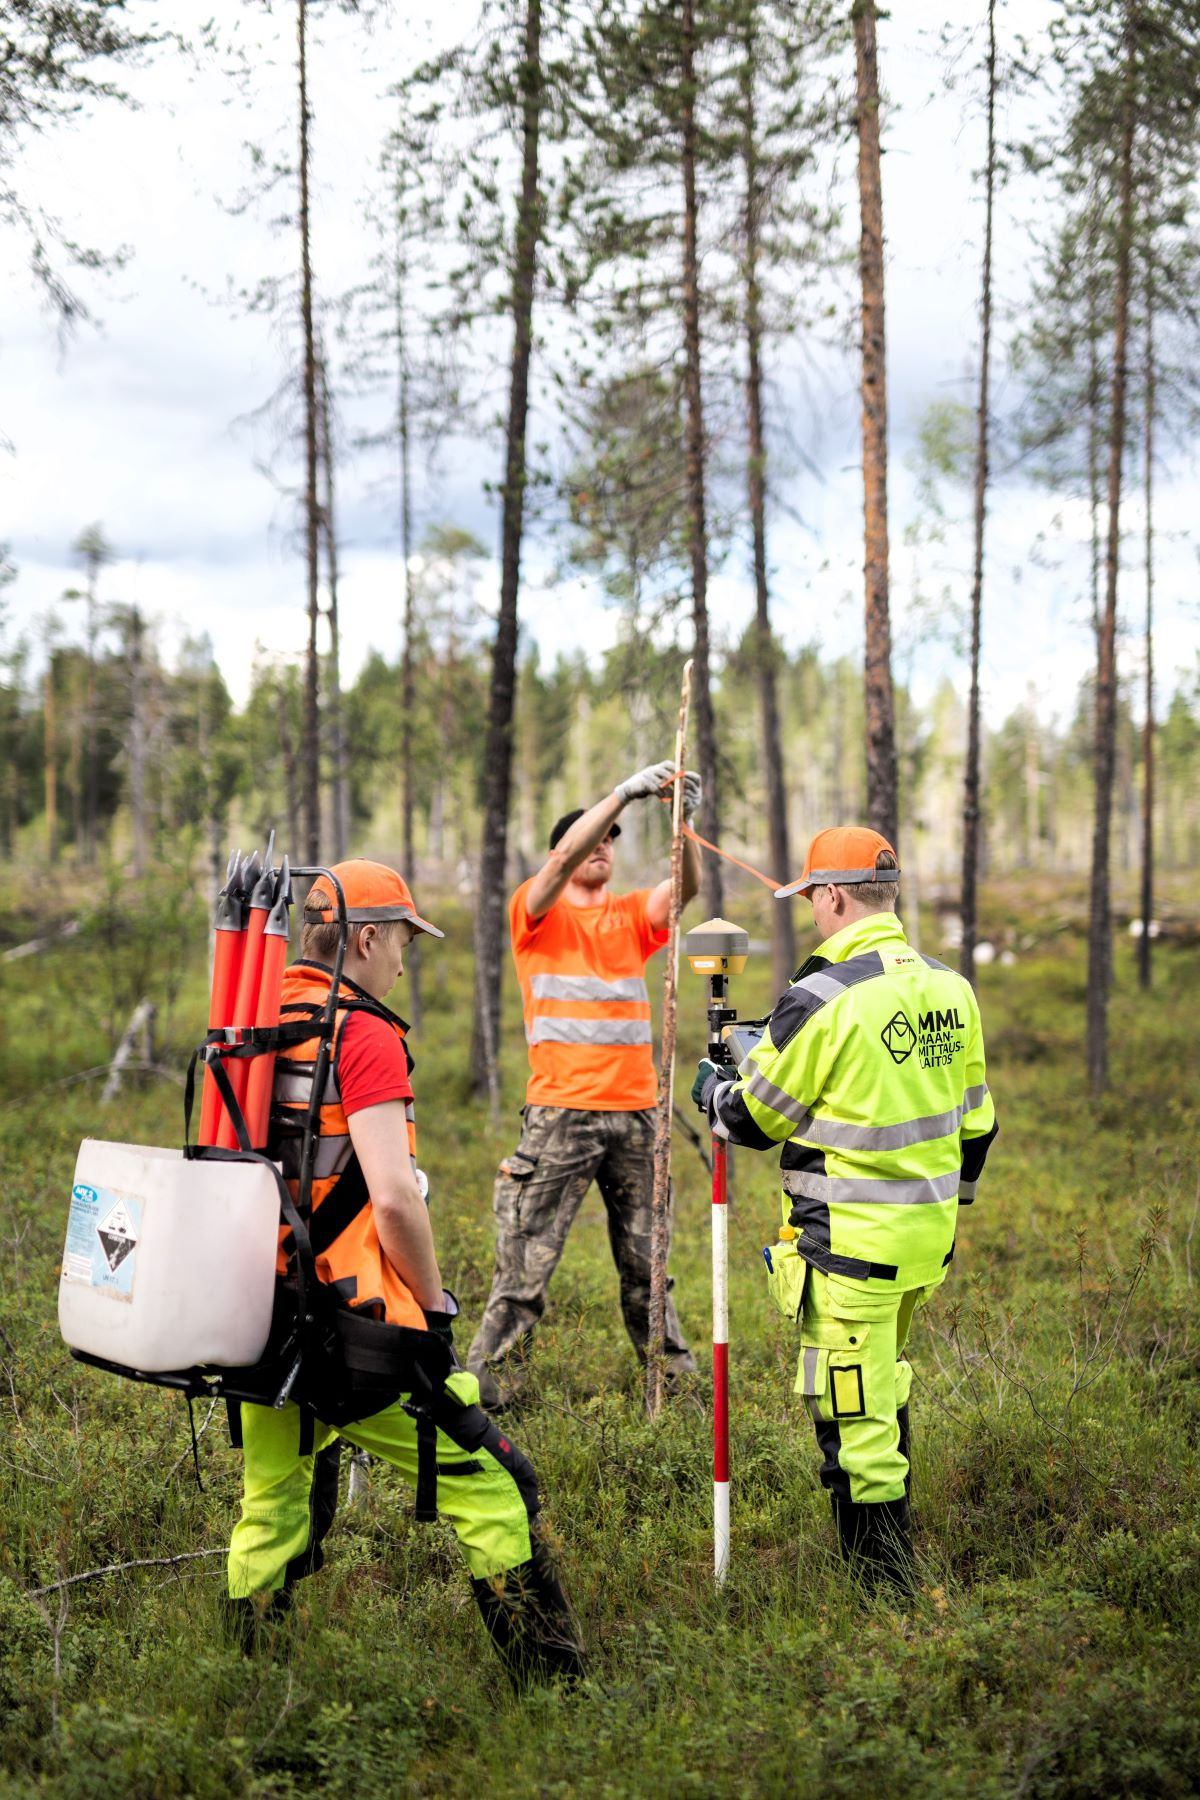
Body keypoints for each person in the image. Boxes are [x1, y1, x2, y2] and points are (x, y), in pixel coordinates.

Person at [226, 858, 584, 1687]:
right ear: (368, 937)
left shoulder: (264, 1013)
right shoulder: (366, 1034)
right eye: (403, 945)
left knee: (273, 1509)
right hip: (355, 1325)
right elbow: (393, 1200)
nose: (403, 962)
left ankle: (240, 1689)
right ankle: (557, 1693)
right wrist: (435, 1308)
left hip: (256, 1314)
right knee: (496, 1485)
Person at [692, 827, 997, 1595]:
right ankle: (885, 1588)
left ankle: (884, 1605)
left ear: (830, 895)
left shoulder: (821, 997)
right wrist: (941, 1211)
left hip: (852, 1253)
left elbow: (754, 1122)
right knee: (882, 1387)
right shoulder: (950, 987)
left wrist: (712, 1092)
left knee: (855, 1424)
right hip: (923, 1248)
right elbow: (978, 1124)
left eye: (814, 903)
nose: (816, 917)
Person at [468, 762, 703, 1410]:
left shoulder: (630, 918)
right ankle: (484, 1397)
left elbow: (683, 887)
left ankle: (675, 1395)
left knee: (649, 1271)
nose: (603, 846)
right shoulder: (534, 912)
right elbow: (567, 853)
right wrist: (624, 792)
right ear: (563, 851)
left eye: (612, 838)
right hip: (560, 1116)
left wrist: (682, 820)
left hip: (635, 1117)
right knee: (523, 1271)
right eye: (591, 837)